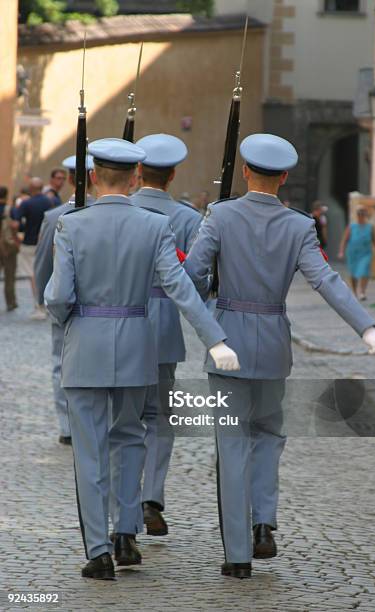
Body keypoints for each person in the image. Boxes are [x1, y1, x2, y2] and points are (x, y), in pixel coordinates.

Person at [184, 133, 375, 579]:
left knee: (233, 444)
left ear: (244, 172)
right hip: (274, 344)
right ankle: (264, 522)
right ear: (284, 177)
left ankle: (238, 556)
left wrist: (207, 302)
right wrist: (367, 328)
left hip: (228, 337)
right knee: (268, 438)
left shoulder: (219, 216)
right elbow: (327, 281)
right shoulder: (299, 225)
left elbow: (192, 277)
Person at [44, 138, 239, 580]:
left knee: (90, 453)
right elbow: (182, 289)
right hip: (137, 343)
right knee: (131, 439)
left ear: (92, 177)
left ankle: (98, 552)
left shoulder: (72, 225)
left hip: (86, 346)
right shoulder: (154, 225)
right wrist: (215, 339)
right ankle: (126, 533)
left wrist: (70, 321)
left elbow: (58, 297)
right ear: (134, 179)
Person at [130, 133, 202, 537]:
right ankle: (151, 497)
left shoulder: (120, 211)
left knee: (120, 420)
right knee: (160, 418)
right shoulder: (189, 219)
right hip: (165, 329)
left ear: (138, 171)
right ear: (173, 174)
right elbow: (195, 280)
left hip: (120, 324)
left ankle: (123, 505)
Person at [34, 155, 95, 445]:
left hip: (64, 304)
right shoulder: (106, 213)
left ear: (71, 179)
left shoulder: (55, 216)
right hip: (101, 305)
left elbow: (43, 263)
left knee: (61, 365)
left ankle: (68, 426)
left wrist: (42, 299)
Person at [15, 177, 53, 319]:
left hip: (30, 242)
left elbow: (15, 223)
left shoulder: (26, 203)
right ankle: (46, 304)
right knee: (46, 272)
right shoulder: (49, 202)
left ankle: (39, 306)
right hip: (45, 241)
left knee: (33, 275)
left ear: (31, 188)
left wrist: (15, 238)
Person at [338, 206, 375, 300]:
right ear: (357, 215)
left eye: (362, 214)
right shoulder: (352, 226)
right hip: (352, 253)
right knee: (353, 274)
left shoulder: (371, 227)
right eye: (359, 214)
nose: (360, 216)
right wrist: (341, 251)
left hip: (365, 253)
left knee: (364, 271)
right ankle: (354, 292)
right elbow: (344, 240)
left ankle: (362, 292)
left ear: (365, 215)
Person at [0, 186, 20, 311]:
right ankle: (11, 302)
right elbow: (17, 226)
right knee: (9, 276)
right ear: (7, 196)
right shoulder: (10, 210)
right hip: (8, 246)